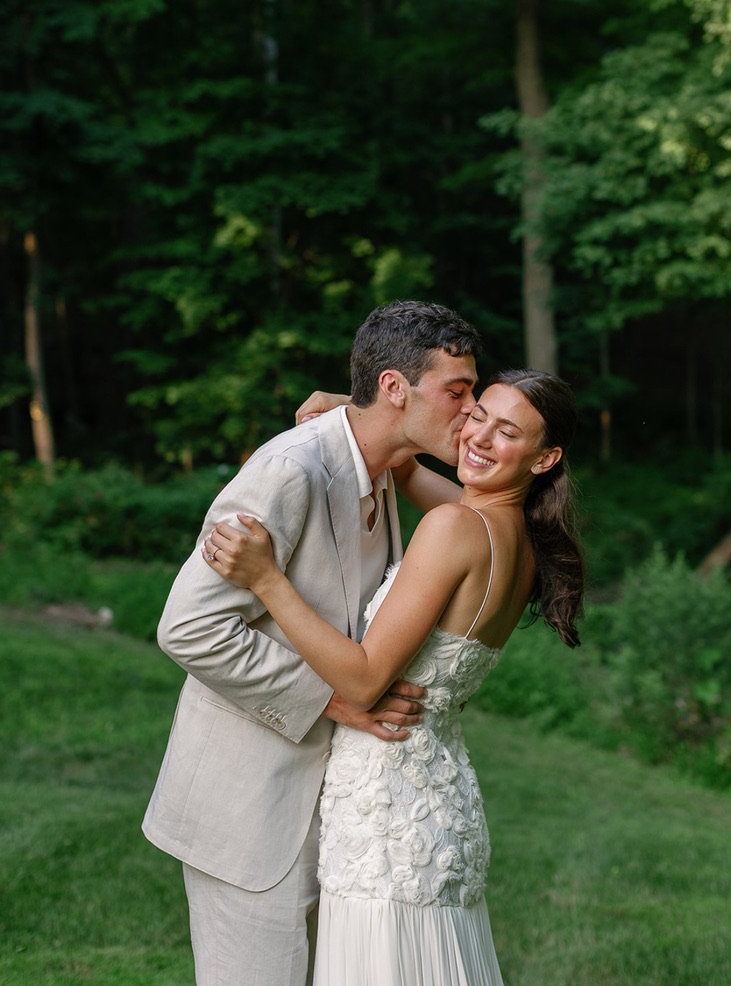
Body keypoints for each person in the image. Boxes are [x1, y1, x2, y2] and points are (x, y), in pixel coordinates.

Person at [202, 369, 584, 986]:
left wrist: (266, 579)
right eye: (478, 413)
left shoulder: (456, 527)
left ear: (546, 458)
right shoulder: (516, 540)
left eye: (506, 431)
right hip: (439, 801)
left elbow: (362, 680)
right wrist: (353, 412)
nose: (478, 436)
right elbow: (405, 469)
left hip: (385, 810)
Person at [142, 300, 482, 986]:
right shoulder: (290, 471)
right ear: (394, 388)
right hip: (247, 812)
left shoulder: (383, 465)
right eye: (457, 391)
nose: (470, 411)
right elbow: (189, 627)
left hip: (344, 813)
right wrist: (333, 698)